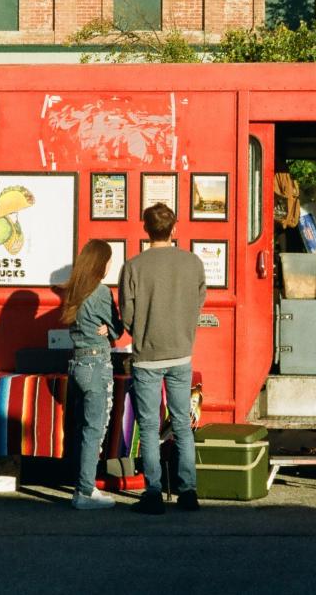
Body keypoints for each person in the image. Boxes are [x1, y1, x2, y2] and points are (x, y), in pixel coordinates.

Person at [120, 202, 207, 515]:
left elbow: (126, 314)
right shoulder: (192, 263)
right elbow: (198, 303)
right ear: (175, 228)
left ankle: (153, 492)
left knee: (149, 425)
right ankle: (188, 492)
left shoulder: (133, 266)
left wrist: (142, 329)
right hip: (181, 353)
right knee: (182, 423)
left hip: (146, 356)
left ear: (145, 229)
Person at [59, 239, 123, 510]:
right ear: (102, 263)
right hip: (96, 365)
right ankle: (85, 492)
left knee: (78, 428)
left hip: (75, 364)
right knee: (93, 430)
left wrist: (104, 329)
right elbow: (118, 329)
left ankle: (77, 484)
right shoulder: (100, 292)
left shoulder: (74, 289)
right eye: (109, 260)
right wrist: (109, 331)